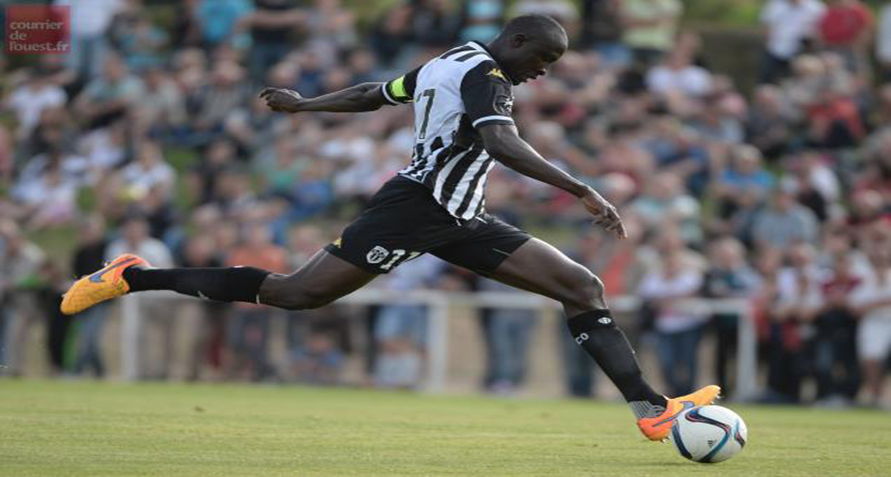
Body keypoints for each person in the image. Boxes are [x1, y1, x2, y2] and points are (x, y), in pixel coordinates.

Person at [61, 15, 719, 441]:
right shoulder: (487, 77)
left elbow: (378, 92)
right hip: (415, 208)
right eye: (541, 58)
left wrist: (305, 105)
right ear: (515, 43)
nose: (541, 72)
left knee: (580, 285)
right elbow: (499, 142)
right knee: (297, 294)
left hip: (462, 214)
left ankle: (650, 407)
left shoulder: (450, 59)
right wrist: (580, 186)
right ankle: (132, 275)